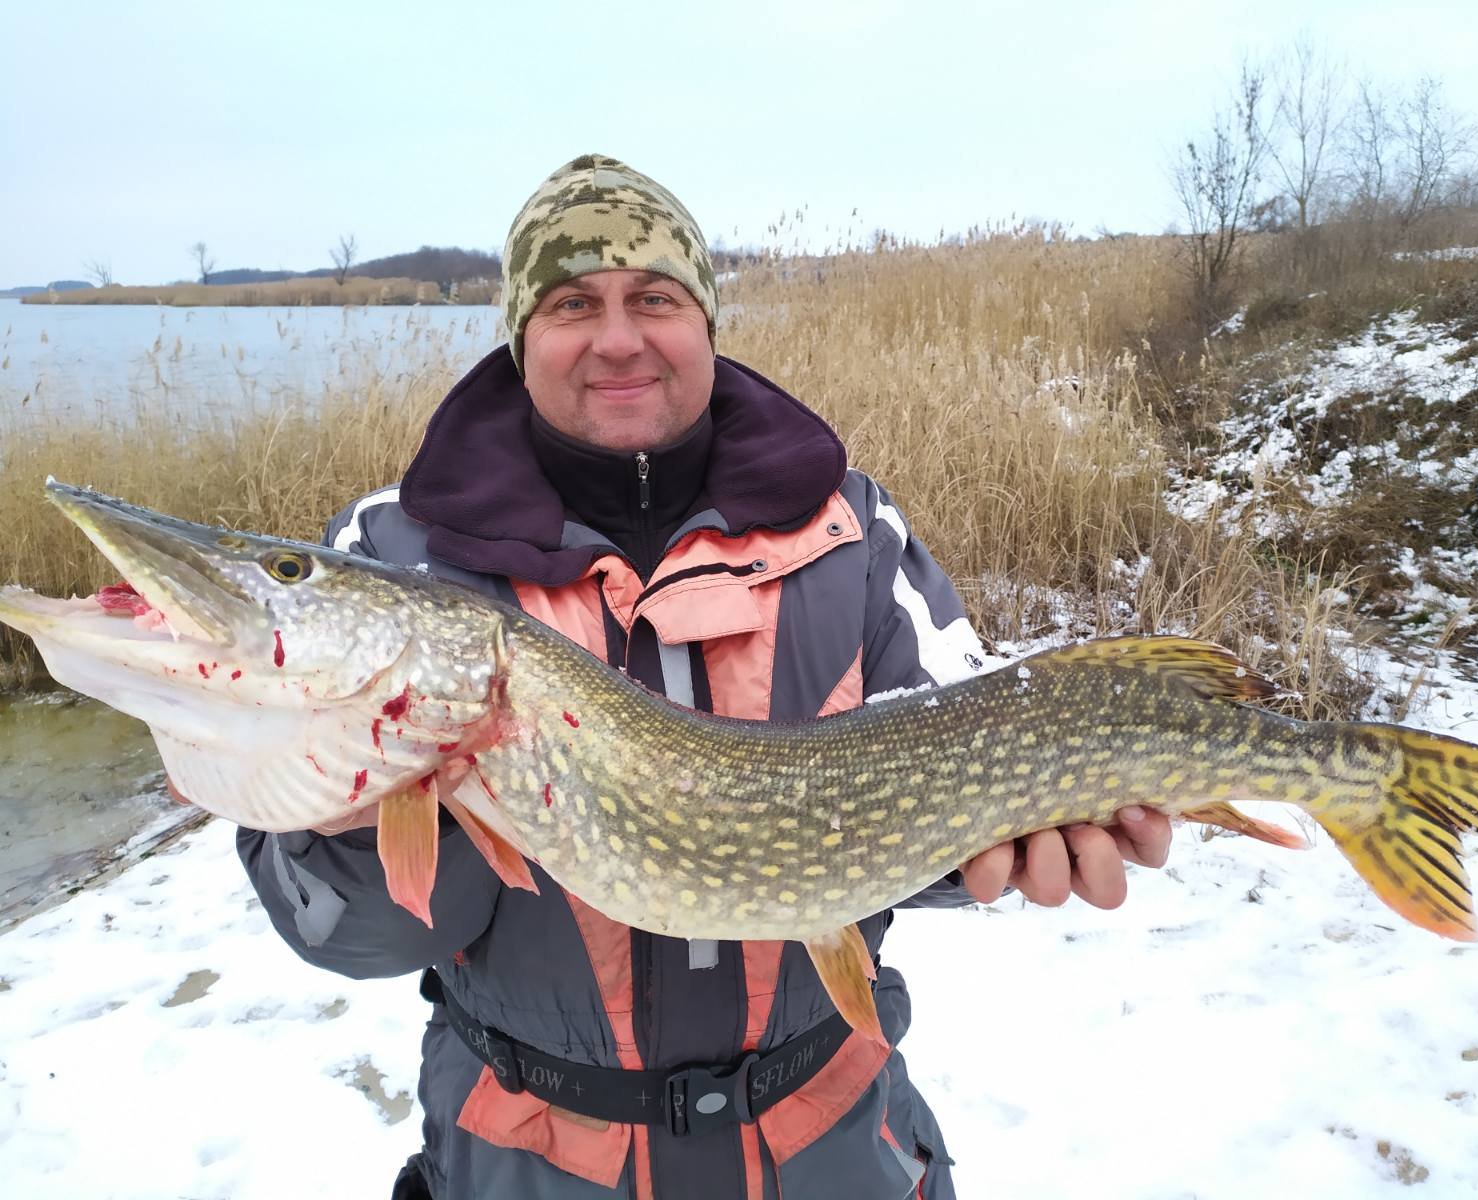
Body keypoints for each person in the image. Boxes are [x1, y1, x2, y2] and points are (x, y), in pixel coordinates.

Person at [237, 154, 1172, 1200]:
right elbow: (354, 939)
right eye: (571, 304)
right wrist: (358, 826)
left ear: (706, 322)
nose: (619, 337)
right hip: (534, 1159)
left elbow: (939, 774)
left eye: (654, 298)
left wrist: (1013, 845)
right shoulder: (399, 558)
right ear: (519, 335)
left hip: (829, 1145)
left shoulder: (848, 529)